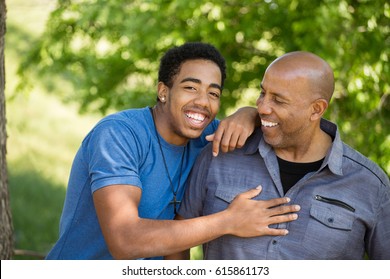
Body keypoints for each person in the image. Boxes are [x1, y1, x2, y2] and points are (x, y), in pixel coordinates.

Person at [46, 42, 300, 260]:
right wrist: (229, 221)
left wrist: (250, 114)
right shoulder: (119, 134)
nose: (203, 102)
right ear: (163, 91)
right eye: (191, 87)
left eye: (213, 93)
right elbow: (125, 240)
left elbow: (263, 123)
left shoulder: (209, 137)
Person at [169, 51, 390, 260]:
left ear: (316, 109)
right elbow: (176, 241)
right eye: (263, 93)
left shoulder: (371, 186)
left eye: (278, 100)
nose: (262, 107)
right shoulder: (221, 154)